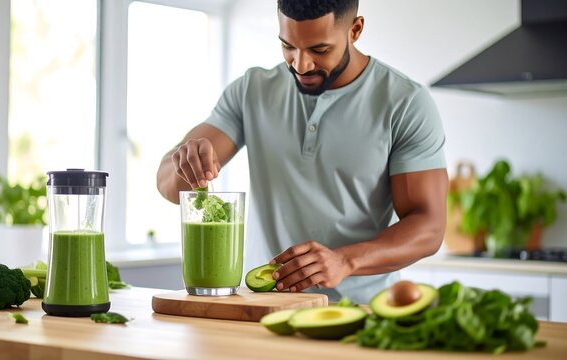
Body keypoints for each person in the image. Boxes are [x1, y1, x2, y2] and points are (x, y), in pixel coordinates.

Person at [157, 0, 448, 304]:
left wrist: (345, 261)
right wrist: (185, 165)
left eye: (319, 50)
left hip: (359, 312)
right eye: (288, 46)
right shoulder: (251, 90)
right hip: (260, 308)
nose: (300, 64)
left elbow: (428, 226)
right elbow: (166, 183)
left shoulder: (405, 102)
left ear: (355, 30)